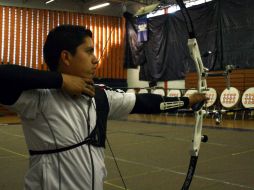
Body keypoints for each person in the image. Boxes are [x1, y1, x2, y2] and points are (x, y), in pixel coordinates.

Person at [0, 24, 207, 190]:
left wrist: (187, 101)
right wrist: (61, 80)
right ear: (66, 57)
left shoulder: (99, 97)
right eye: (88, 51)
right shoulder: (37, 98)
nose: (95, 59)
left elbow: (145, 102)